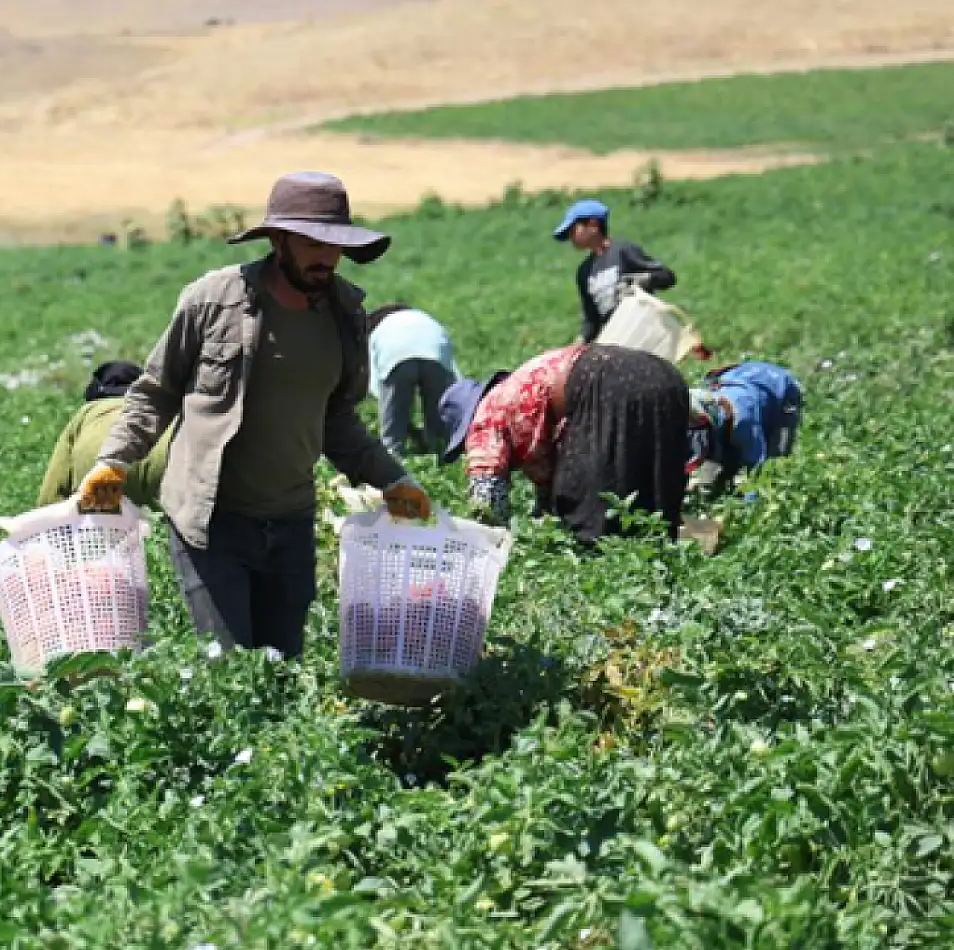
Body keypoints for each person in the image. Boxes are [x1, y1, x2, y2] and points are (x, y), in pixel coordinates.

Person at [81, 171, 432, 660]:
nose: (326, 256)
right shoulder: (213, 300)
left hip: (289, 522)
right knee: (231, 667)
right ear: (279, 240)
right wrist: (114, 461)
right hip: (212, 521)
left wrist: (394, 480)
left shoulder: (345, 314)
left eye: (336, 244)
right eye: (313, 242)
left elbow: (338, 421)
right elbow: (155, 392)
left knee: (284, 668)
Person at [439, 342, 689, 543]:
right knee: (650, 485)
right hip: (664, 375)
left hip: (604, 380)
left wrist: (489, 543)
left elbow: (488, 497)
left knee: (587, 520)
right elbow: (555, 475)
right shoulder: (518, 390)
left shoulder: (485, 416)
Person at [37, 360, 174, 509]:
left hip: (99, 465)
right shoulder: (159, 408)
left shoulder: (87, 412)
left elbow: (51, 494)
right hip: (161, 459)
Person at [553, 199, 677, 343]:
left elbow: (667, 276)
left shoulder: (624, 251)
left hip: (641, 332)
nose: (570, 237)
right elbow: (592, 319)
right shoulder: (584, 271)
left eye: (573, 230)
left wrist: (642, 280)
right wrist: (580, 342)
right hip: (615, 338)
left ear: (593, 225)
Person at [687, 361, 804, 493]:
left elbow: (756, 465)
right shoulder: (698, 409)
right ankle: (721, 484)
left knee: (775, 460)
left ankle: (778, 494)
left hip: (783, 389)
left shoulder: (743, 422)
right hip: (743, 377)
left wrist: (751, 503)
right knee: (721, 453)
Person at [367, 302, 459, 458]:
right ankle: (440, 450)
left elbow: (381, 393)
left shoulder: (377, 332)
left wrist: (405, 425)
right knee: (438, 412)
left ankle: (392, 456)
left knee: (392, 429)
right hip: (435, 351)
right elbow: (453, 377)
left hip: (394, 355)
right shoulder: (423, 318)